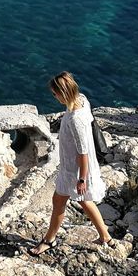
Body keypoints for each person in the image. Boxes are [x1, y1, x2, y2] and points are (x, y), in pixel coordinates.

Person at [29, 72, 112, 255]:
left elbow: (82, 152)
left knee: (59, 202)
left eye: (55, 93)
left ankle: (48, 241)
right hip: (73, 167)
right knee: (84, 201)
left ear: (63, 93)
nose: (54, 97)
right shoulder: (82, 99)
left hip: (73, 169)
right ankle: (105, 236)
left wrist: (82, 179)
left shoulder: (76, 119)